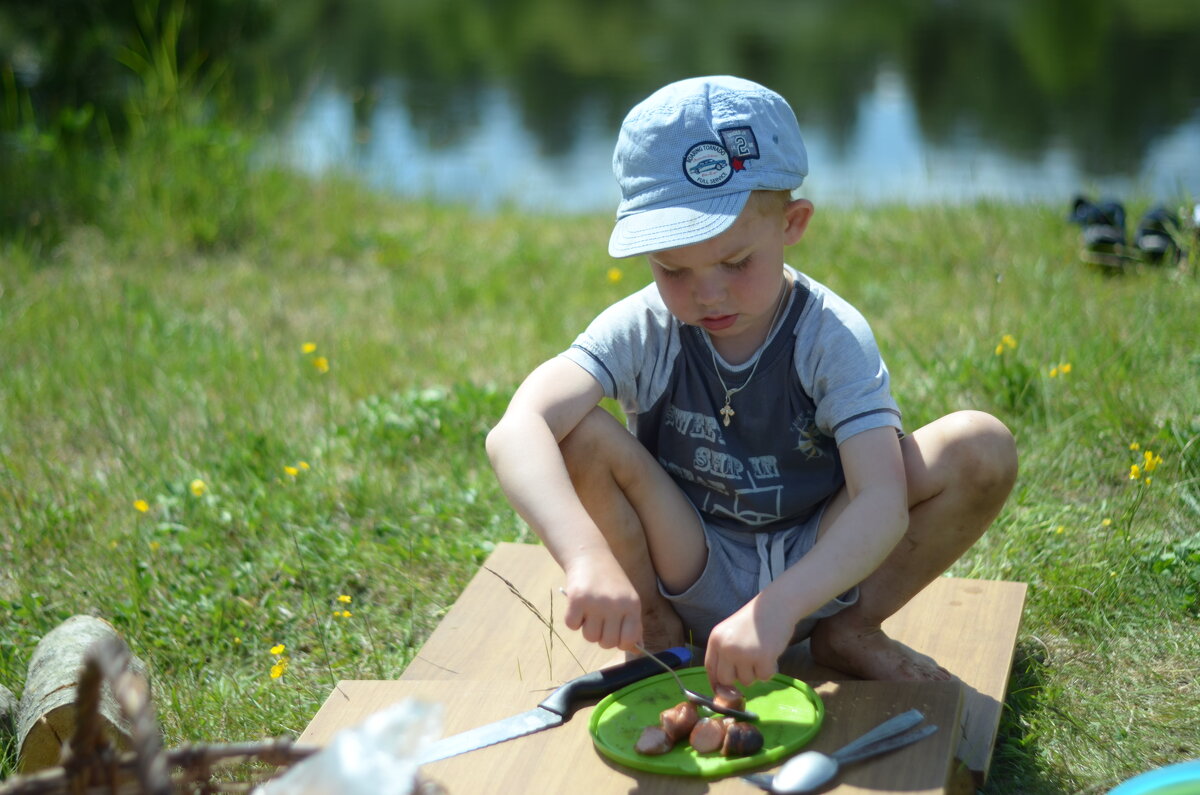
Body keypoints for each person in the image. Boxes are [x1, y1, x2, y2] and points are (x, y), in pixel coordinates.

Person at [485, 75, 1017, 688]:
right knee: (573, 432)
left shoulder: (830, 335)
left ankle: (849, 632)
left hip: (822, 567)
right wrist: (585, 557)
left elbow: (878, 502)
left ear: (792, 223)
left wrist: (779, 609)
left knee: (981, 445)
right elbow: (515, 430)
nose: (708, 293)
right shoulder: (644, 328)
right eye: (672, 268)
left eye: (736, 263)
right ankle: (656, 636)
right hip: (688, 560)